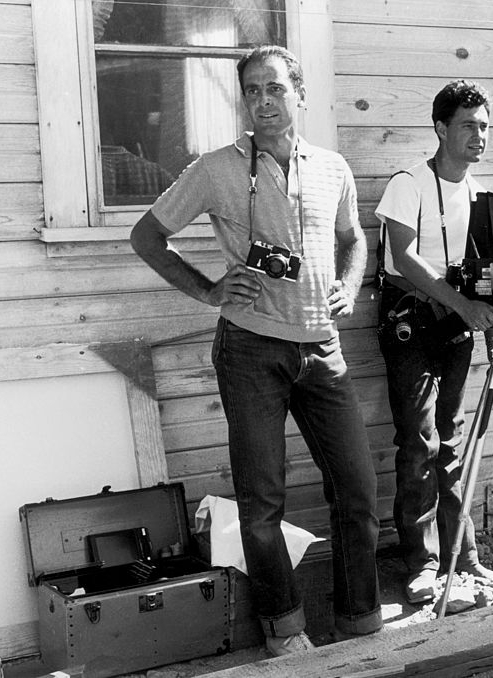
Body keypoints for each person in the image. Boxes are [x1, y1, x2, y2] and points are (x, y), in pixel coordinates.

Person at [130, 45, 381, 655]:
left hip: (322, 349)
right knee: (260, 504)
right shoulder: (216, 169)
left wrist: (349, 284)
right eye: (251, 91)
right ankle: (285, 631)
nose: (263, 102)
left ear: (299, 93)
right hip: (249, 351)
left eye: (274, 89)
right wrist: (210, 290)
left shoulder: (332, 167)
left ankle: (359, 624)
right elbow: (148, 235)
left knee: (357, 491)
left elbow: (354, 238)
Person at [374, 80, 493, 604]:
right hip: (412, 322)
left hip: (457, 324)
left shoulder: (481, 194)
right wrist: (463, 306)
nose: (480, 136)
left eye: (485, 126)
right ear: (440, 128)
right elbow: (402, 259)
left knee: (451, 445)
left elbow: (488, 268)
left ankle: (465, 560)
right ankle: (422, 564)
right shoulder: (408, 183)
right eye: (468, 126)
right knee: (418, 443)